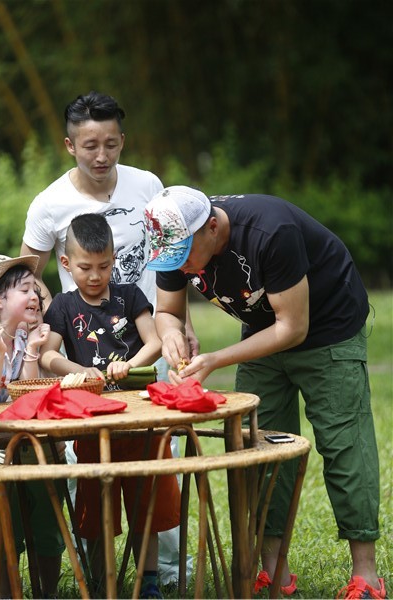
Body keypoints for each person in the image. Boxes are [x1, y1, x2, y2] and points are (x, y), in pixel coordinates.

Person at [143, 185, 387, 600]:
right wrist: (170, 336)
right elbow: (167, 311)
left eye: (185, 257)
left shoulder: (271, 231)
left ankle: (366, 574)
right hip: (261, 329)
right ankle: (275, 572)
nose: (180, 267)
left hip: (328, 327)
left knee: (344, 442)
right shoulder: (174, 238)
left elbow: (294, 327)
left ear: (214, 229)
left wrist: (218, 358)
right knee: (260, 446)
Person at [19, 90, 195, 584]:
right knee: (91, 466)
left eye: (112, 144)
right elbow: (26, 280)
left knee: (158, 462)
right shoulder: (48, 203)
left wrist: (181, 323)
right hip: (84, 366)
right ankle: (101, 578)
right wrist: (51, 334)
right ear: (70, 145)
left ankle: (160, 577)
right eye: (90, 145)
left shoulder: (148, 186)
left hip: (145, 343)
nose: (102, 156)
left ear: (123, 141)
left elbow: (172, 258)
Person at [40, 213, 181, 598]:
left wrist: (129, 365)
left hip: (139, 415)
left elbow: (152, 342)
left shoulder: (130, 296)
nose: (95, 275)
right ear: (66, 263)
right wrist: (80, 370)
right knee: (95, 502)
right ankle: (104, 583)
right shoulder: (64, 307)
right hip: (90, 419)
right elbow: (48, 356)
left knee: (145, 500)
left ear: (114, 258)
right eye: (85, 267)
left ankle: (148, 581)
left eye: (104, 266)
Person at [0, 254, 64, 599]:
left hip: (21, 439)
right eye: (25, 289)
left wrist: (34, 352)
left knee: (47, 502)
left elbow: (27, 395)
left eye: (36, 289)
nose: (36, 296)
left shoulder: (23, 339)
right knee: (2, 523)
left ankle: (45, 592)